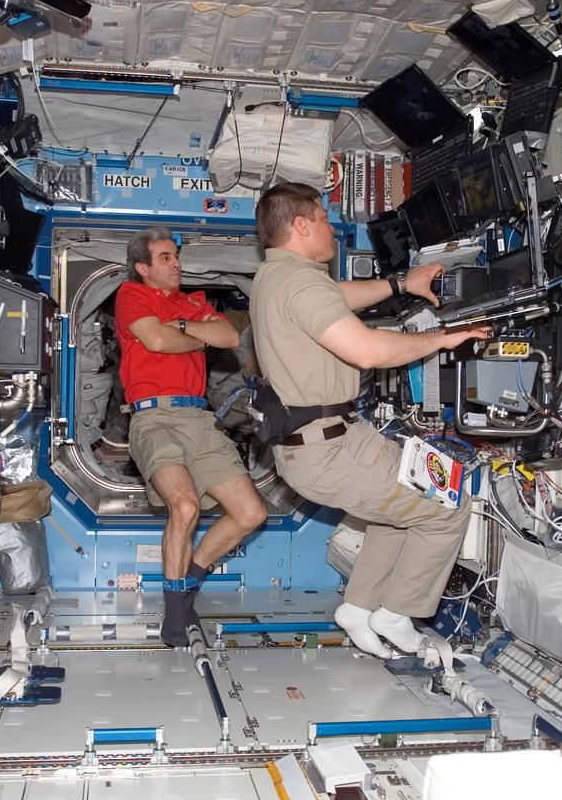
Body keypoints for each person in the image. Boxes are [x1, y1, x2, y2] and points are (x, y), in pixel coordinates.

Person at [249, 183, 492, 658]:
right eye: (322, 218)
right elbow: (367, 350)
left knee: (397, 513)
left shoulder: (276, 277)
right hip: (329, 450)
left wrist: (403, 284)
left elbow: (337, 296)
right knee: (447, 509)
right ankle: (396, 614)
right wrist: (442, 339)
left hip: (332, 440)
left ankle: (359, 609)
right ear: (301, 226)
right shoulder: (299, 282)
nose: (331, 229)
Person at [115, 227, 268, 646]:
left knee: (251, 513)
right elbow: (157, 340)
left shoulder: (194, 302)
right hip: (153, 419)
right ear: (143, 267)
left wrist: (183, 322)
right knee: (183, 507)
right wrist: (192, 334)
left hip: (198, 420)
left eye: (176, 256)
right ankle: (176, 614)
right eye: (165, 258)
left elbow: (230, 337)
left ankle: (188, 588)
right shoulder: (131, 295)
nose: (176, 263)